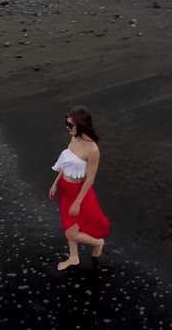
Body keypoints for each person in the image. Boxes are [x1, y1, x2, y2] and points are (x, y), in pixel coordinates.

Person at [49, 106, 111, 271]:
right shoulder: (74, 139)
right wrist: (55, 183)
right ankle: (73, 257)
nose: (67, 128)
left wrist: (77, 202)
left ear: (82, 125)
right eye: (66, 124)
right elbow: (66, 164)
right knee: (69, 226)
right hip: (66, 190)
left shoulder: (92, 150)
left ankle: (98, 243)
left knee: (71, 232)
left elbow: (90, 179)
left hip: (79, 193)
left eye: (70, 125)